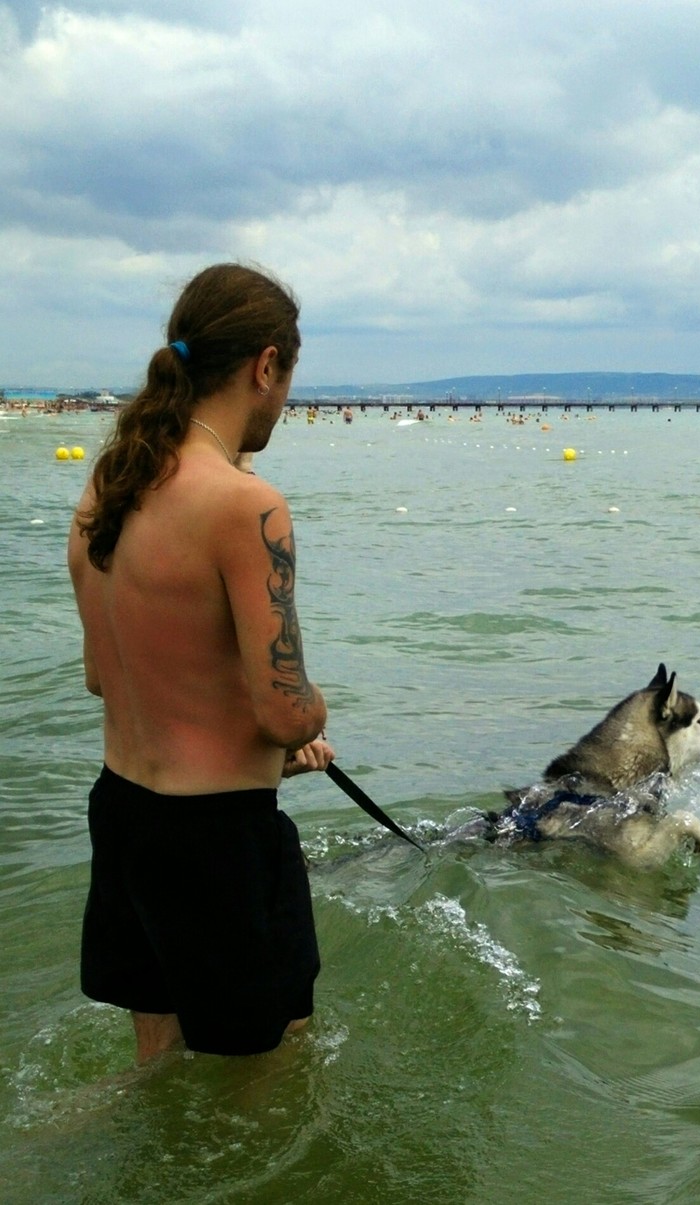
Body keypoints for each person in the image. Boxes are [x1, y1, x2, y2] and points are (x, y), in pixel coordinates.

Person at [68, 263, 333, 1061]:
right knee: (264, 1085)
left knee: (160, 1067)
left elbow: (100, 676)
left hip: (123, 819)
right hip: (217, 846)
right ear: (265, 366)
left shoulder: (105, 490)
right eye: (286, 379)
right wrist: (306, 726)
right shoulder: (246, 504)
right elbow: (283, 709)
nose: (282, 404)